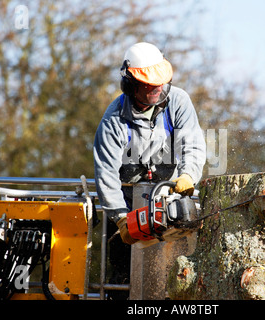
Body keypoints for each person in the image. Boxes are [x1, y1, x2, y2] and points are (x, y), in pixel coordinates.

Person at [93, 42, 206, 298]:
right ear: (130, 84)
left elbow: (193, 144)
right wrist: (121, 218)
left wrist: (188, 175)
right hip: (125, 200)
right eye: (148, 84)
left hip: (169, 198)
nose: (157, 89)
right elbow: (106, 173)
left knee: (176, 273)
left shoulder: (178, 101)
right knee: (122, 279)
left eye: (160, 83)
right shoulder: (113, 121)